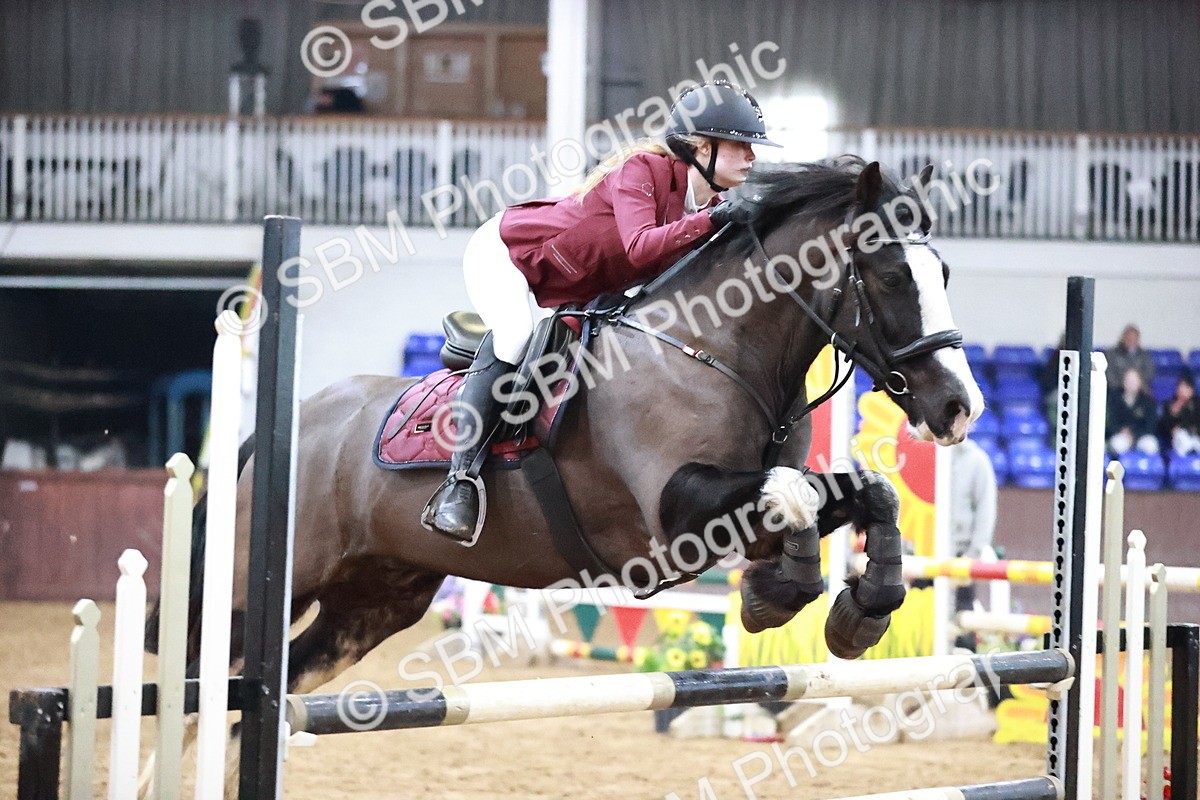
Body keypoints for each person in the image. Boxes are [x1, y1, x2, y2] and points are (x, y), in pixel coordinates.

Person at [422, 82, 781, 543]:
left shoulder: (709, 205)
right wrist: (714, 222)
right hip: (508, 253)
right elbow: (638, 247)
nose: (752, 157)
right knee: (514, 335)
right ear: (701, 146)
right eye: (741, 144)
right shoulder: (643, 170)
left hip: (578, 290)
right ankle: (460, 483)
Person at [1106, 367, 1160, 455]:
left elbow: (1151, 424)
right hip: (1121, 435)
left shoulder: (1148, 401)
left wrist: (1134, 434)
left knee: (1151, 445)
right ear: (1124, 382)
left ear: (1140, 383)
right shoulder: (1115, 399)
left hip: (1141, 436)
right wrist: (1121, 431)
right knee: (1116, 445)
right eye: (1129, 381)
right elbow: (1112, 421)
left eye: (1134, 381)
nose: (1131, 384)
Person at [1158, 374, 1200, 455]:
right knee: (1181, 435)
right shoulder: (1169, 405)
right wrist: (1172, 415)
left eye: (1186, 388)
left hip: (1195, 437)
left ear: (1192, 390)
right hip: (1176, 441)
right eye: (1180, 387)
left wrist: (1183, 427)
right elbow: (1162, 428)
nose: (1182, 391)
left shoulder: (1197, 405)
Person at [1104, 324, 1155, 389]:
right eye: (1129, 338)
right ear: (1123, 338)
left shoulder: (1144, 355)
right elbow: (1109, 375)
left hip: (1139, 390)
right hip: (1117, 390)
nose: (1131, 341)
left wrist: (1137, 383)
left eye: (1134, 338)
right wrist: (1123, 385)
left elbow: (1149, 373)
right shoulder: (1112, 354)